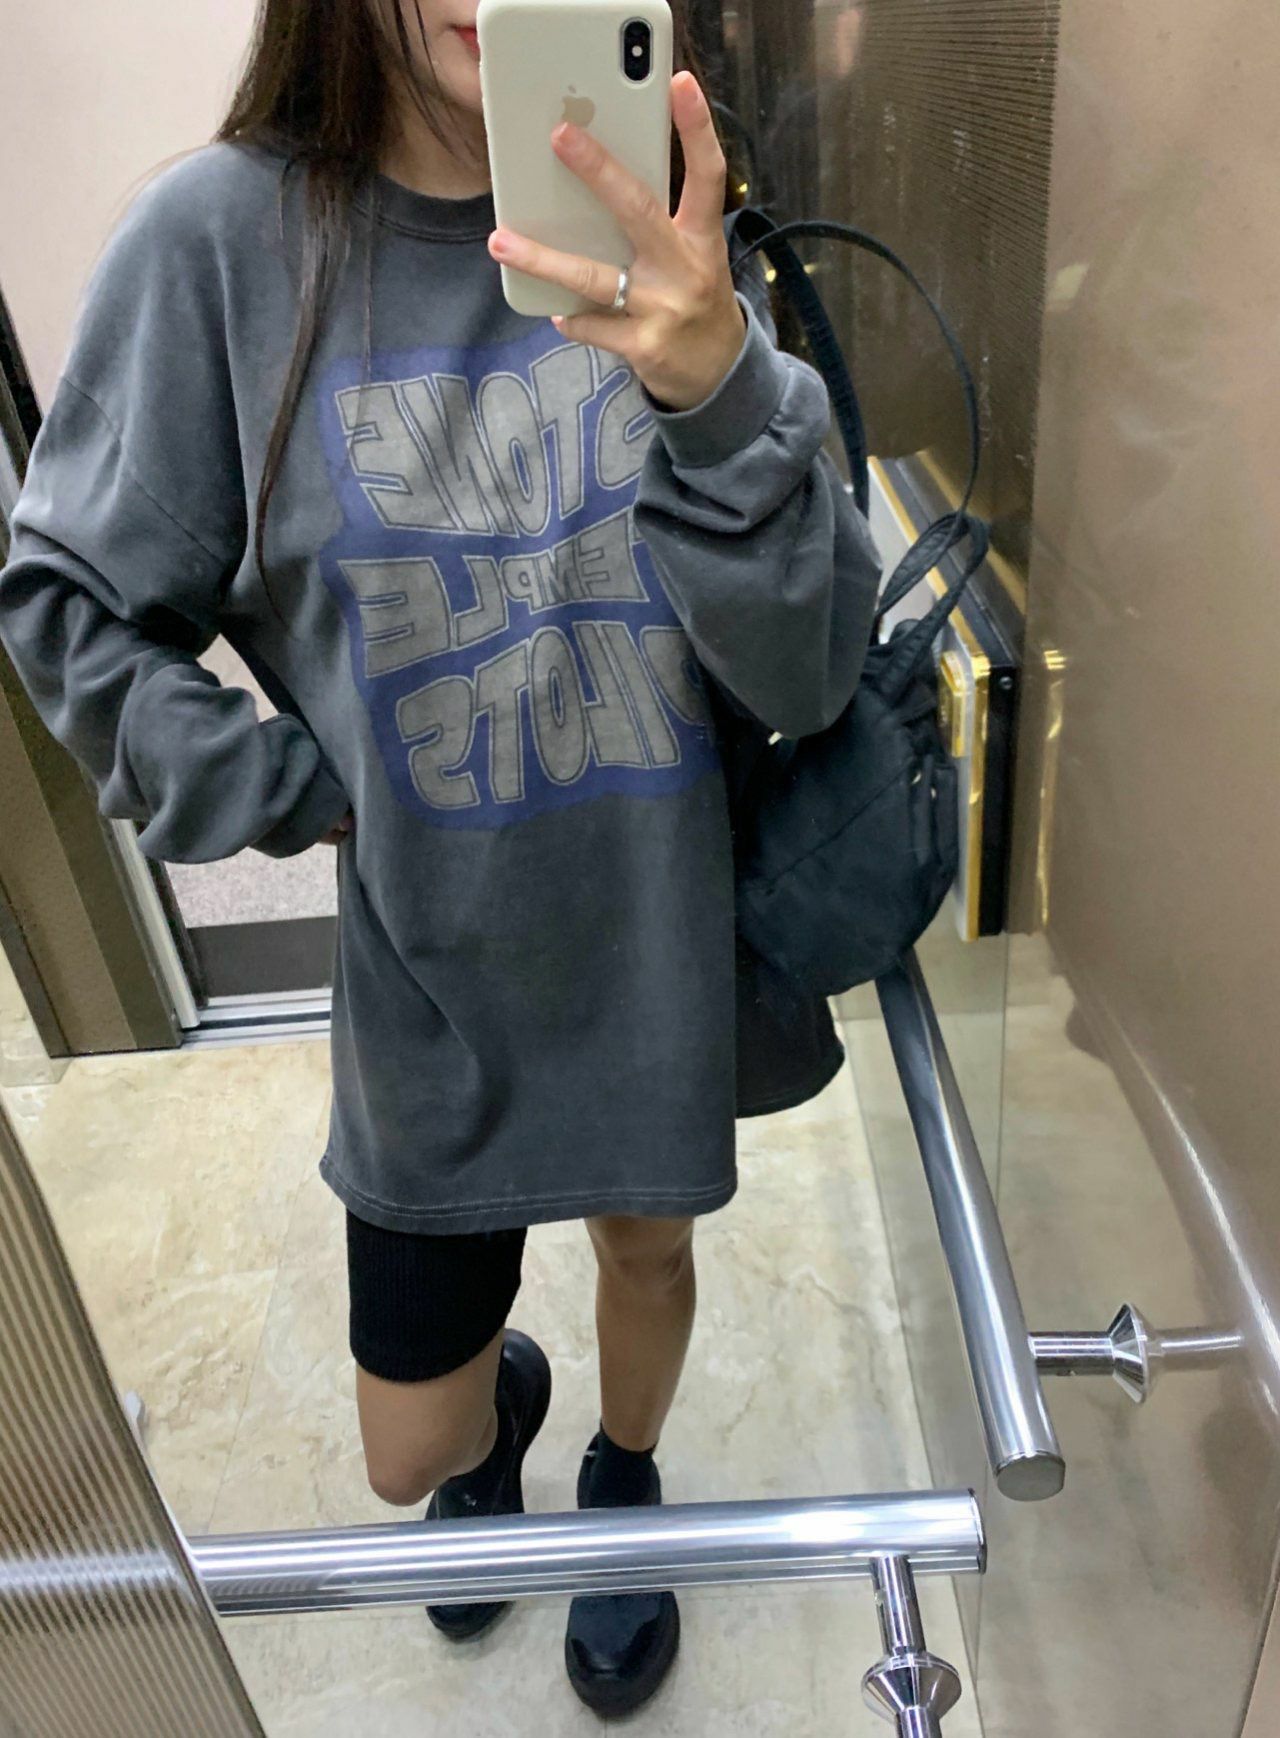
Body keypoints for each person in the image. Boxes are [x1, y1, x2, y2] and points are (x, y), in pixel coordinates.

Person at [0, 0, 880, 1715]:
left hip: (652, 937)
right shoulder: (224, 249)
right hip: (429, 977)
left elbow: (808, 670)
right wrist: (280, 785)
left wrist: (720, 388)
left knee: (648, 1258)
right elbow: (69, 606)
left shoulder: (670, 232)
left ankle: (623, 1486)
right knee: (410, 1451)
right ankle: (505, 1422)